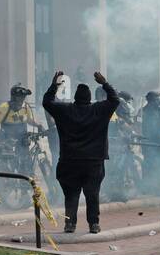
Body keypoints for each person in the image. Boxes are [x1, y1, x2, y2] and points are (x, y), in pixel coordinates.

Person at [43, 69, 119, 234]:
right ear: (89, 98)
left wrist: (54, 86)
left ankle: (70, 224)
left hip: (69, 160)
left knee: (71, 194)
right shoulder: (99, 110)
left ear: (76, 97)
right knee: (92, 194)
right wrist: (104, 83)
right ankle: (94, 224)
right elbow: (115, 100)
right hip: (93, 161)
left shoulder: (65, 110)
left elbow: (47, 102)